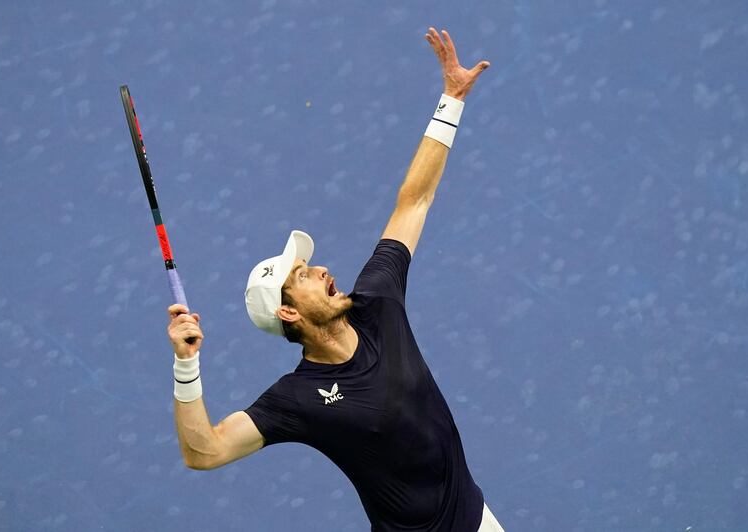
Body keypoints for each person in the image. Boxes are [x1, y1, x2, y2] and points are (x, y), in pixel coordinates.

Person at [167, 27, 504, 531]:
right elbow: (205, 452)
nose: (322, 269)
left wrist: (450, 101)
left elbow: (413, 200)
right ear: (289, 312)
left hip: (476, 520)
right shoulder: (297, 399)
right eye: (302, 274)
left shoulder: (378, 301)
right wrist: (186, 364)